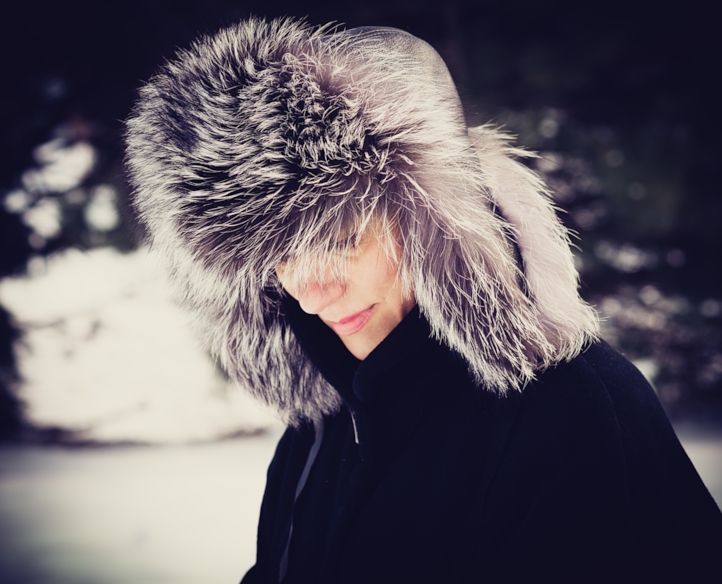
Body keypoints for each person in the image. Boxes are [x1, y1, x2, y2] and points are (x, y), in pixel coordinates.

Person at [125, 17, 722, 583]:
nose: (310, 296)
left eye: (338, 238)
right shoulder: (320, 427)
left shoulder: (578, 412)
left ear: (434, 223)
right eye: (278, 258)